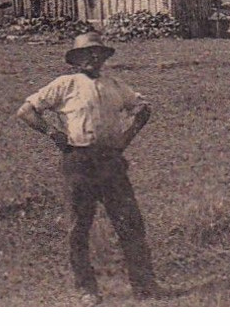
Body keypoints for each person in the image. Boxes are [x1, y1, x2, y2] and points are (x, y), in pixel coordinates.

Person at [16, 31, 162, 305]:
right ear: (76, 58)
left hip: (111, 163)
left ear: (104, 57)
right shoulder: (66, 84)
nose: (92, 58)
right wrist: (51, 133)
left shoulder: (115, 84)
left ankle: (145, 286)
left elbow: (143, 109)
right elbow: (26, 111)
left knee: (130, 223)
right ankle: (86, 289)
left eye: (98, 53)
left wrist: (125, 138)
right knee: (79, 227)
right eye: (86, 54)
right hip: (79, 162)